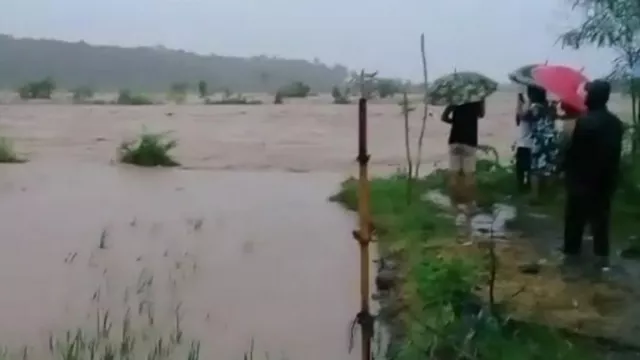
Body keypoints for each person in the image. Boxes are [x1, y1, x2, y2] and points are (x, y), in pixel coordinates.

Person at [563, 79, 623, 271]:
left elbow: (573, 153)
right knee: (601, 223)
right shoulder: (615, 123)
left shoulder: (585, 122)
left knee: (574, 223)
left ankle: (571, 262)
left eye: (588, 93)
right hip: (605, 182)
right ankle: (601, 260)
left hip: (582, 181)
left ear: (594, 97)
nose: (585, 96)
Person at [441, 100, 485, 209]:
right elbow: (481, 115)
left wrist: (455, 121)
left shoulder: (455, 98)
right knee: (469, 174)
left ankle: (454, 203)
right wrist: (482, 101)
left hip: (455, 139)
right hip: (470, 141)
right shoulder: (476, 100)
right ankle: (469, 204)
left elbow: (444, 117)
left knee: (454, 173)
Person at [520, 85, 560, 200]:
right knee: (549, 166)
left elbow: (522, 117)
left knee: (535, 169)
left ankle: (535, 196)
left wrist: (521, 101)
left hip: (539, 140)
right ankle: (548, 195)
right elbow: (554, 117)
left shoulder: (534, 107)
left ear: (531, 94)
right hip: (551, 139)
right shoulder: (550, 107)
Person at [514, 91, 533, 192]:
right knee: (528, 168)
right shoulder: (530, 112)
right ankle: (526, 187)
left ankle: (523, 187)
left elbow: (520, 115)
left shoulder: (528, 113)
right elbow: (519, 116)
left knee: (521, 169)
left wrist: (520, 99)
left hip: (525, 144)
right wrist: (520, 99)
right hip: (527, 144)